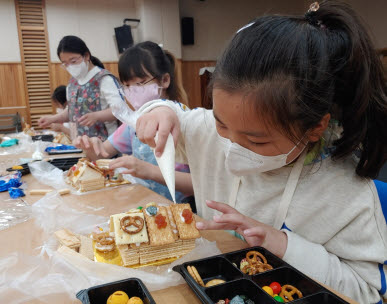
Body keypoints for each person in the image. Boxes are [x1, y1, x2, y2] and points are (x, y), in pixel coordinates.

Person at [135, 2, 387, 303]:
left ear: (315, 128)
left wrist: (281, 244)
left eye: (257, 142)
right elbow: (178, 116)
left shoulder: (346, 193)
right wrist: (159, 109)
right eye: (221, 124)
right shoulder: (209, 134)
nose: (231, 146)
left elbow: (367, 292)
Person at [73, 41, 192, 203]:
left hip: (180, 211)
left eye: (139, 83)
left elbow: (197, 184)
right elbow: (102, 154)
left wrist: (148, 171)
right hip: (144, 205)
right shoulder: (134, 122)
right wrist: (90, 147)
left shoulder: (185, 120)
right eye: (127, 86)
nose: (132, 92)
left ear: (164, 80)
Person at [38, 36, 119, 140]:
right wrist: (53, 119)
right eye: (65, 64)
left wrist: (97, 116)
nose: (70, 66)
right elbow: (72, 111)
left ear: (86, 56)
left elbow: (120, 110)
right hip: (80, 144)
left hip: (106, 145)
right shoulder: (72, 83)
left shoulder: (104, 79)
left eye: (73, 61)